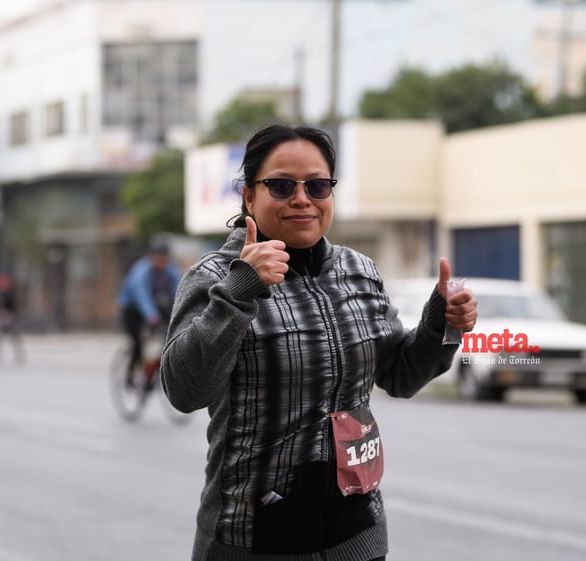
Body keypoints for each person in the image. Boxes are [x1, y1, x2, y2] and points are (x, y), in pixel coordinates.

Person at [160, 124, 478, 561]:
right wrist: (241, 289)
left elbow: (400, 375)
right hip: (253, 538)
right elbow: (184, 390)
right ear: (249, 196)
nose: (302, 198)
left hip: (356, 532)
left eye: (318, 185)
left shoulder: (358, 270)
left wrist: (444, 322)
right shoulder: (215, 277)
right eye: (281, 185)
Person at [116, 238, 181, 384]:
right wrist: (152, 317)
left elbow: (178, 292)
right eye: (158, 258)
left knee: (167, 336)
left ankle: (153, 371)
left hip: (155, 305)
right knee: (138, 344)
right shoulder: (141, 271)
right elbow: (142, 296)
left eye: (164, 258)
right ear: (151, 257)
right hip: (132, 308)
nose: (161, 262)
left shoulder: (170, 270)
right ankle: (130, 375)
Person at [0, 272, 25, 363]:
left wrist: (10, 314)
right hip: (1, 318)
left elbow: (14, 307)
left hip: (9, 317)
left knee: (14, 336)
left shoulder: (10, 295)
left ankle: (18, 354)